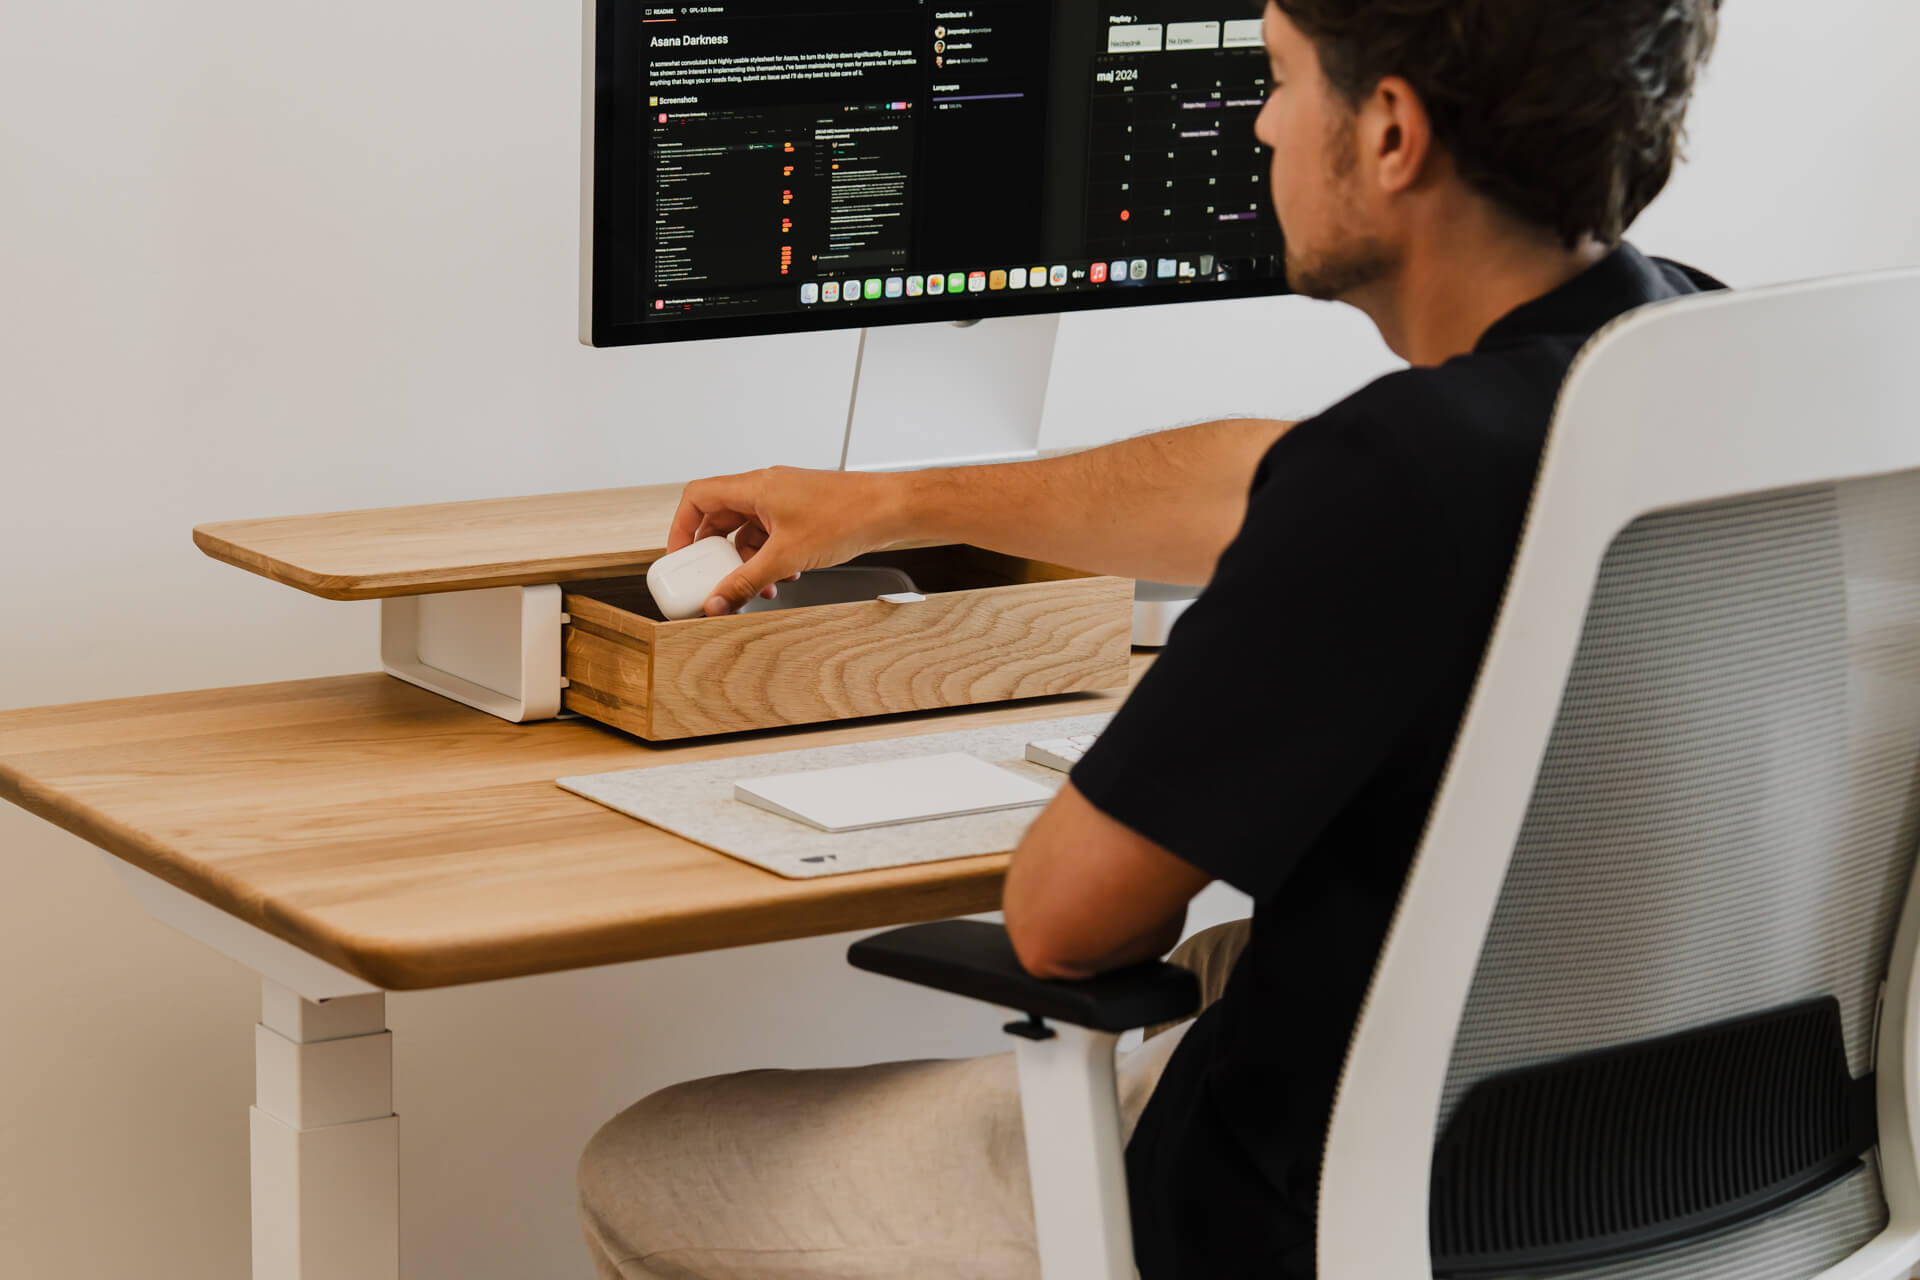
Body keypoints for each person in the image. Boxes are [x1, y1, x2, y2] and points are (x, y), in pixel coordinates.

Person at [578, 1, 1723, 1275]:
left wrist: (1186, 719)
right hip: (1682, 1165)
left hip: (1317, 1213)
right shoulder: (1704, 369)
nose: (1258, 121)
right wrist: (895, 504)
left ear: (1391, 131)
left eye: (1280, 80)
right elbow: (1259, 480)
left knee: (652, 1159)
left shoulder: (1396, 476)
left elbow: (1068, 926)